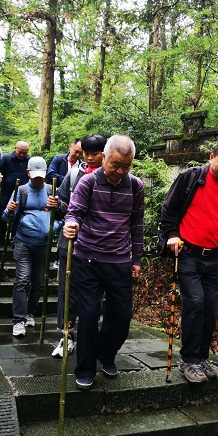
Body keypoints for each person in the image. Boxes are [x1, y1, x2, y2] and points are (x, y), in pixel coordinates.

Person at [160, 140, 218, 384]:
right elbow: (168, 210)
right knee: (195, 302)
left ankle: (201, 358)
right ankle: (188, 359)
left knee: (210, 308)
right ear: (212, 157)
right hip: (188, 253)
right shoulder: (190, 178)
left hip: (214, 258)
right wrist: (172, 235)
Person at [63, 134, 144, 390]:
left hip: (119, 260)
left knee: (121, 317)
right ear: (104, 158)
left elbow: (137, 226)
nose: (120, 171)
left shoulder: (135, 186)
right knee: (87, 315)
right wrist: (71, 224)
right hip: (87, 258)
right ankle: (85, 367)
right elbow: (74, 211)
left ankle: (105, 354)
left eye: (126, 166)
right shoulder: (87, 182)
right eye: (115, 165)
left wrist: (137, 259)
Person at [48, 134, 107, 357]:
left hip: (99, 246)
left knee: (95, 294)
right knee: (67, 291)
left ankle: (89, 335)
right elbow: (64, 206)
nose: (89, 158)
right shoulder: (74, 174)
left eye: (95, 153)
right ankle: (66, 336)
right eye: (86, 153)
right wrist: (56, 205)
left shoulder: (113, 176)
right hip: (71, 242)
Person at [3, 157, 56, 337]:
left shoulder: (51, 190)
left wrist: (53, 227)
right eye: (35, 177)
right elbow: (7, 219)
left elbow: (63, 217)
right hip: (23, 242)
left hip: (43, 244)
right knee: (22, 279)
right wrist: (9, 210)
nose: (38, 180)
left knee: (38, 282)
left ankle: (29, 313)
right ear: (28, 174)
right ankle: (18, 320)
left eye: (41, 176)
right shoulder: (21, 191)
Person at [0, 141, 30, 247]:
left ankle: (14, 238)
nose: (22, 155)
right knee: (3, 214)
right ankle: (0, 238)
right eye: (20, 152)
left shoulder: (29, 161)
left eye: (25, 152)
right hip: (6, 191)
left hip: (22, 193)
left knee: (19, 215)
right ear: (15, 149)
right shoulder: (7, 158)